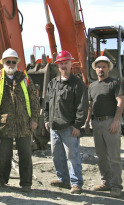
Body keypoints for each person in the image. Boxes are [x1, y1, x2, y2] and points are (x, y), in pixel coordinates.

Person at [0, 48, 40, 193]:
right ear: (3, 62)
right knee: (3, 155)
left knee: (26, 154)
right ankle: (1, 180)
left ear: (17, 63)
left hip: (24, 124)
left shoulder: (25, 78)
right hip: (3, 124)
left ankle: (26, 183)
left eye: (14, 62)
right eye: (8, 61)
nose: (11, 64)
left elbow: (34, 100)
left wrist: (34, 119)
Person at [43, 50, 88, 194]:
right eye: (61, 63)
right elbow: (47, 104)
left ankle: (76, 183)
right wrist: (46, 119)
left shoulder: (77, 83)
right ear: (57, 65)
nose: (63, 66)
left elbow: (82, 106)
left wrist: (77, 125)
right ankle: (63, 179)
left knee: (72, 155)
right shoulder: (53, 83)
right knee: (57, 155)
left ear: (71, 64)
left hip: (69, 127)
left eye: (66, 63)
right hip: (54, 126)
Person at [84, 56, 124, 197]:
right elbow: (90, 105)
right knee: (101, 156)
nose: (101, 69)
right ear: (95, 69)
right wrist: (87, 121)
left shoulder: (114, 83)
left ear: (108, 69)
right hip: (96, 123)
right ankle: (106, 182)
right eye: (98, 67)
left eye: (104, 67)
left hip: (110, 122)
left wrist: (115, 121)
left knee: (114, 156)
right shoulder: (92, 86)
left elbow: (120, 102)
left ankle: (116, 185)